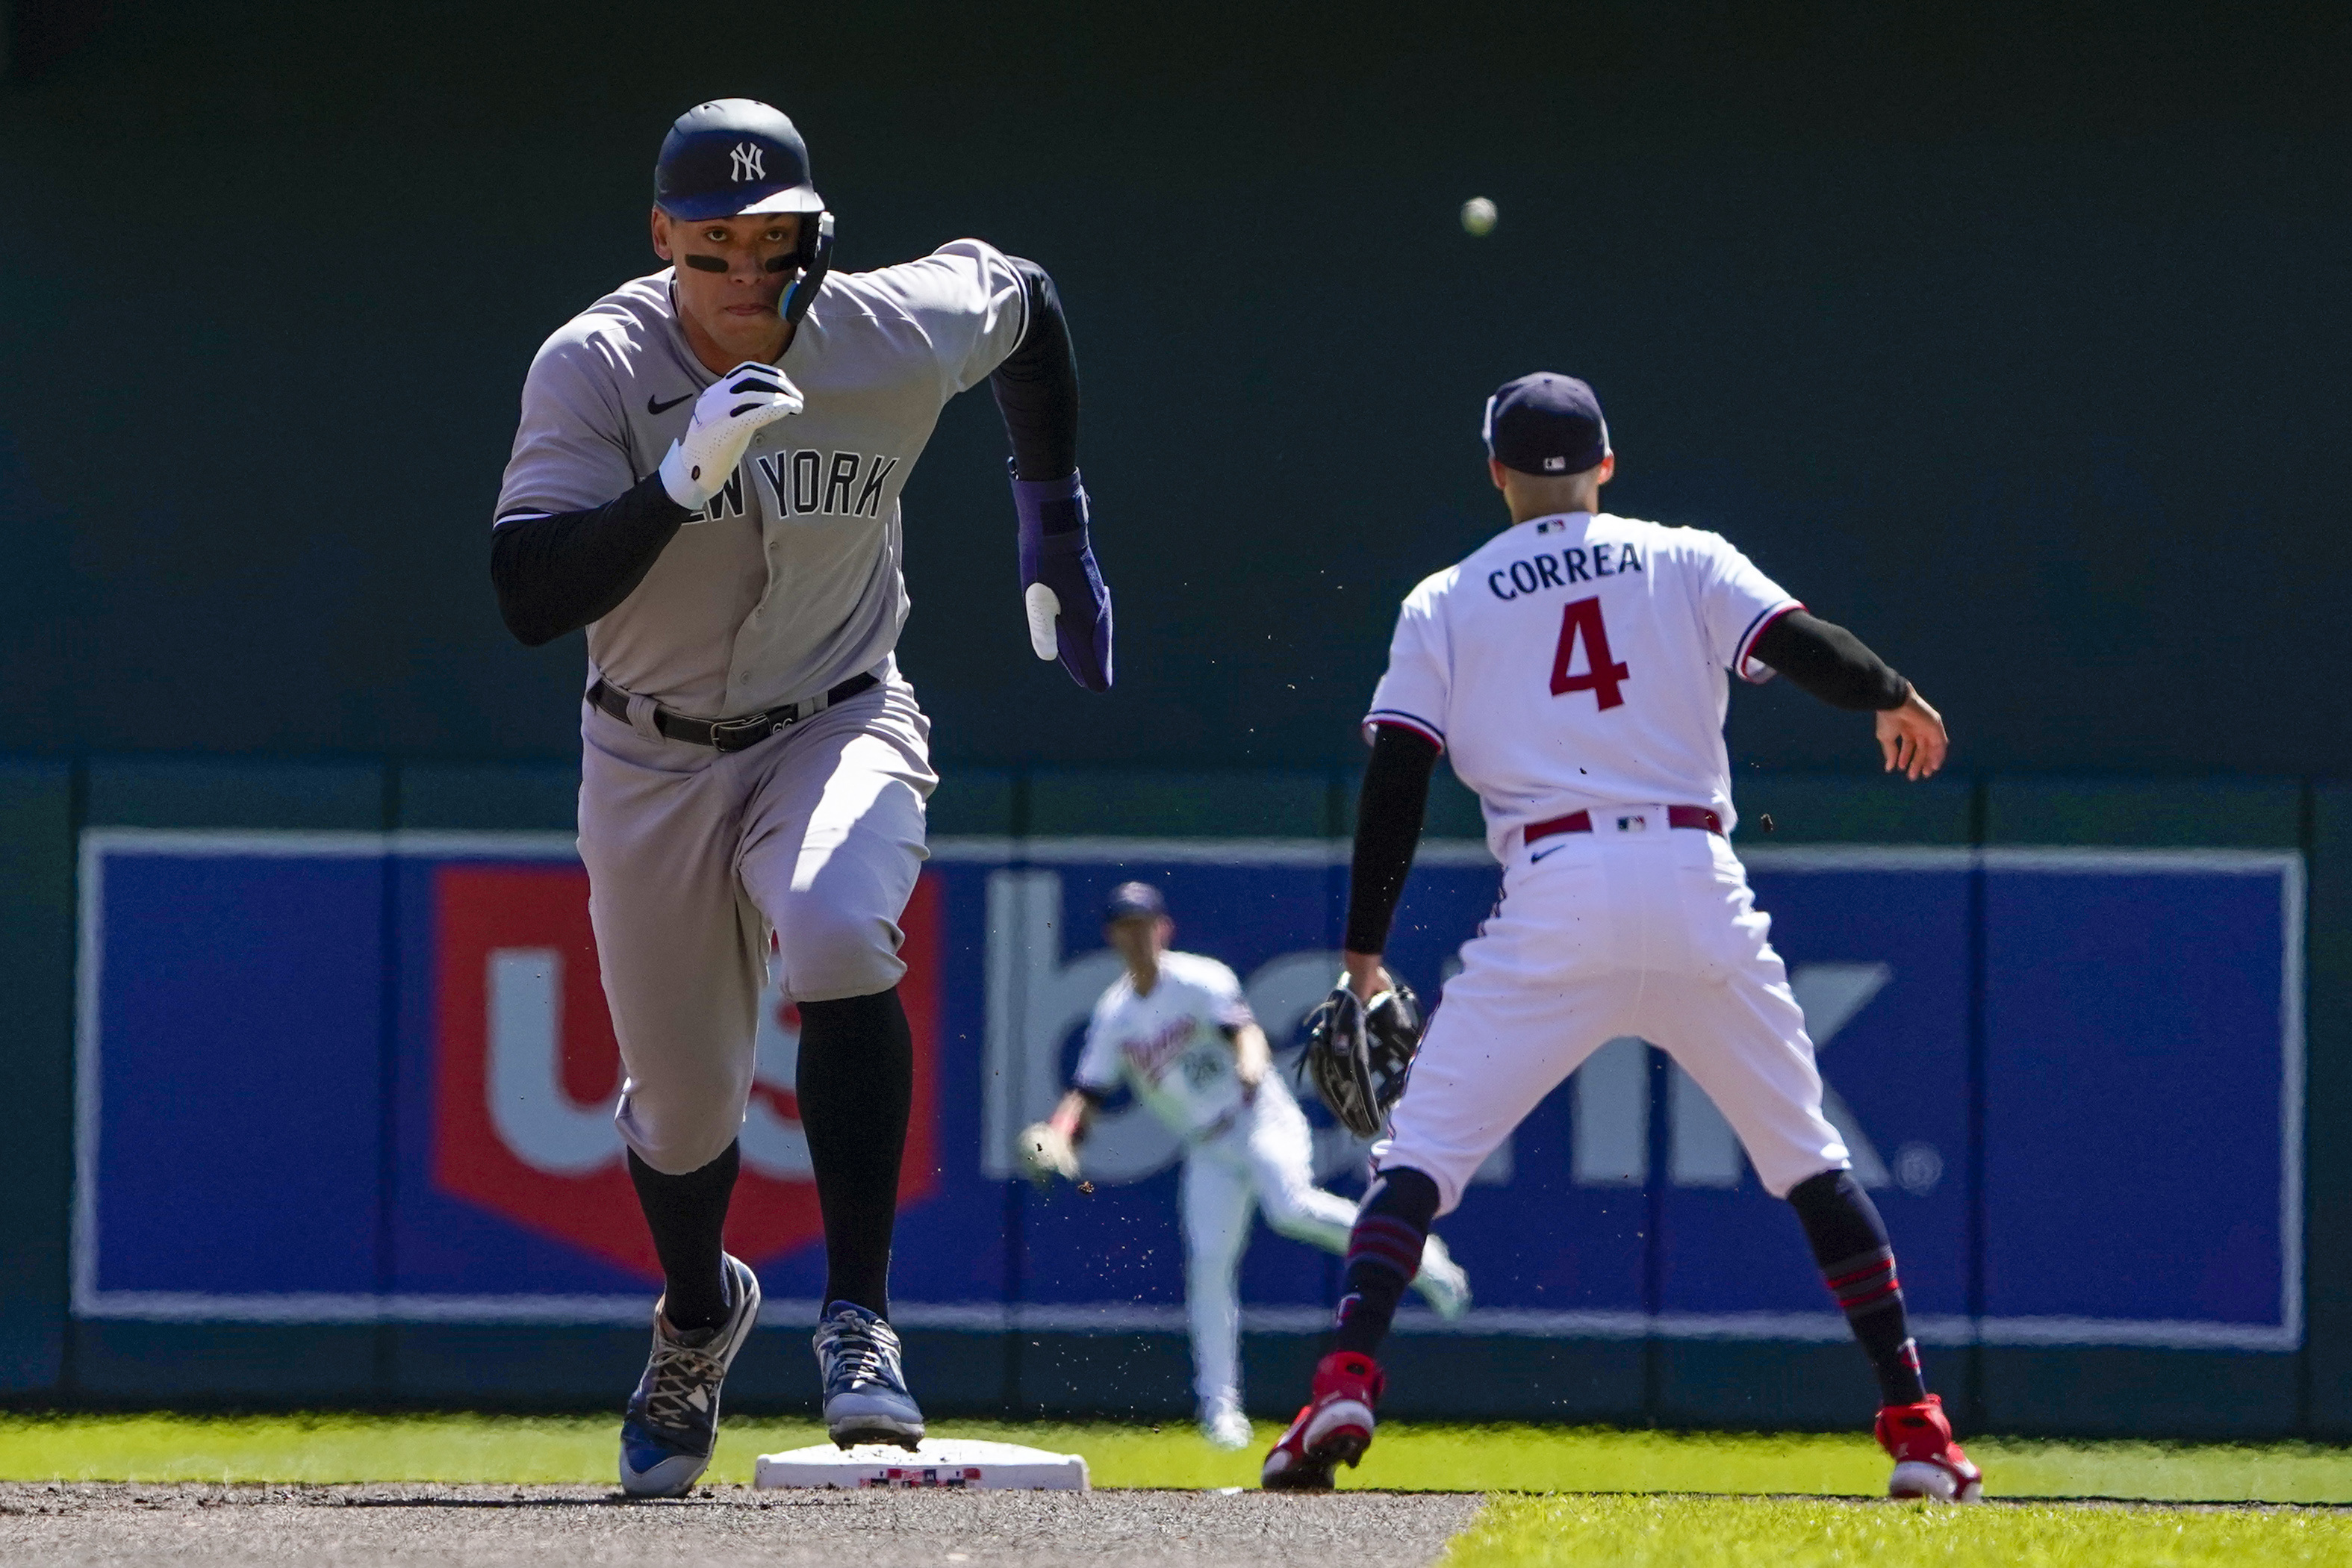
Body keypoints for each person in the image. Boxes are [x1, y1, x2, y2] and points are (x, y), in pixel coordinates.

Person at [488, 98, 1113, 1498]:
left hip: (839, 714)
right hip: (647, 755)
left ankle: (859, 1316)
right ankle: (700, 1318)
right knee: (685, 1114)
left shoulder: (884, 329)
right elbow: (531, 597)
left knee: (837, 925)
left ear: (813, 236)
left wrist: (1052, 515)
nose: (745, 279)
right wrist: (675, 484)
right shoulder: (594, 364)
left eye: (774, 244)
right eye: (713, 247)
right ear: (663, 238)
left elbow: (1028, 303)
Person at [1260, 373, 1982, 1502]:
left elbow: (1397, 774)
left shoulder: (1443, 598)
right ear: (1605, 465)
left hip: (1554, 890)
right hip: (1697, 882)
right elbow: (1802, 646)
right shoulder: (1684, 554)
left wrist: (1363, 954)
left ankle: (1345, 1379)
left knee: (1418, 1162)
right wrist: (1891, 690)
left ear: (1495, 473)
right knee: (1809, 1160)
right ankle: (1917, 1428)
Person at [1020, 883, 1470, 1448]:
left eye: (1145, 924)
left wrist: (1252, 1067)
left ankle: (1417, 1252)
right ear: (1113, 936)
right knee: (1208, 1267)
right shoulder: (1116, 1014)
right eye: (1125, 926)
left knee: (1291, 1208)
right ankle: (1221, 1411)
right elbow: (1087, 1093)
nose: (1137, 936)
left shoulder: (1199, 978)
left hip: (1258, 1117)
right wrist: (1058, 1134)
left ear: (1164, 929)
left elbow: (1245, 1033)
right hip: (1207, 1146)